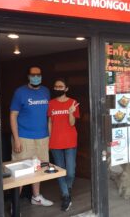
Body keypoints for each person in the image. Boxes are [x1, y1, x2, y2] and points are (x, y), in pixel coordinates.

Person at [10, 66, 53, 207]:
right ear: (28, 76)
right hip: (24, 137)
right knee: (21, 171)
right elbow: (13, 115)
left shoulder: (46, 91)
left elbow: (49, 116)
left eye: (38, 74)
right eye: (33, 75)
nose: (36, 77)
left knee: (39, 168)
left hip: (42, 137)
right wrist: (16, 139)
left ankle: (36, 197)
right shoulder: (20, 92)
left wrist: (51, 136)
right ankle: (14, 205)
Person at [48, 78, 80, 211]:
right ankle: (66, 196)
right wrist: (50, 139)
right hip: (55, 142)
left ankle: (68, 187)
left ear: (66, 88)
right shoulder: (50, 103)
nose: (58, 88)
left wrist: (71, 111)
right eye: (56, 86)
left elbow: (72, 123)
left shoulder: (73, 102)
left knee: (71, 172)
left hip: (70, 141)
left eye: (61, 86)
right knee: (60, 171)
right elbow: (50, 122)